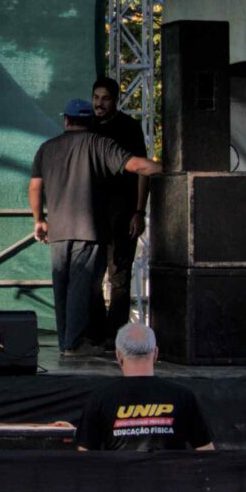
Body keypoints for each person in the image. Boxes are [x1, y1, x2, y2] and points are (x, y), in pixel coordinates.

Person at [31, 98, 161, 358]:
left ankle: (65, 342)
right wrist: (169, 168)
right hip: (89, 230)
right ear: (90, 121)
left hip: (58, 230)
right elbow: (135, 165)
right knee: (81, 289)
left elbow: (35, 186)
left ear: (66, 120)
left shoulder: (47, 148)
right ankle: (74, 344)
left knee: (62, 288)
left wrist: (39, 220)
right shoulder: (99, 144)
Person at [72, 319, 215, 450]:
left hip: (120, 471)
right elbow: (207, 453)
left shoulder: (100, 398)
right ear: (156, 353)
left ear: (118, 355)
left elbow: (85, 458)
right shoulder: (183, 396)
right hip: (170, 471)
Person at [88, 75, 152, 342]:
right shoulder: (87, 126)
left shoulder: (129, 127)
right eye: (96, 98)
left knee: (119, 277)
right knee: (91, 275)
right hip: (92, 213)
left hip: (123, 212)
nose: (99, 104)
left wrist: (139, 211)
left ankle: (114, 337)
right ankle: (94, 334)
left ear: (115, 100)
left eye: (105, 99)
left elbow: (143, 171)